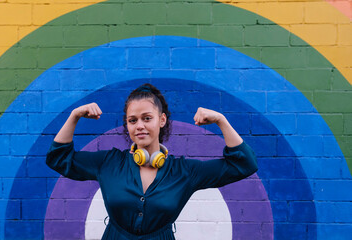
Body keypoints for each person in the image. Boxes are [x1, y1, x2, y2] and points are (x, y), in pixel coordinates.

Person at [46, 83, 258, 240]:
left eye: (147, 118)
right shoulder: (109, 162)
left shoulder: (184, 171)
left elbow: (243, 164)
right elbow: (59, 159)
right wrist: (74, 116)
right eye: (132, 120)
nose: (139, 125)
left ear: (162, 120)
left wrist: (221, 120)